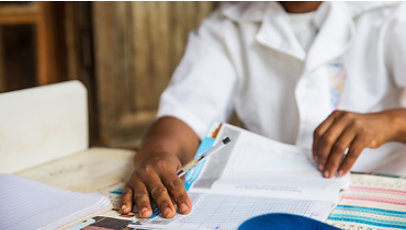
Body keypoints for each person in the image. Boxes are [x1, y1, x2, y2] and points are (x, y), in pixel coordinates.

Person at [120, 1, 406, 219]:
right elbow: (184, 114)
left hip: (381, 195)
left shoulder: (392, 12)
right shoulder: (228, 23)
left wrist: (392, 123)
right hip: (277, 200)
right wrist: (159, 155)